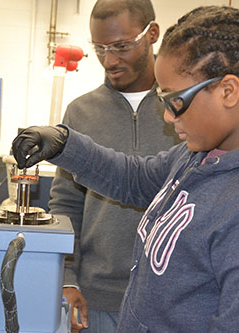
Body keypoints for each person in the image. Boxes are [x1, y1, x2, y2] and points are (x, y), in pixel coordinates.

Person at [13, 5, 239, 331]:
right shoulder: (200, 156)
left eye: (176, 101)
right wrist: (65, 145)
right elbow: (135, 179)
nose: (168, 116)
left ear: (229, 90)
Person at [48, 0, 179, 332]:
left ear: (152, 34)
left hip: (169, 300)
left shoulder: (184, 109)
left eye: (121, 46)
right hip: (98, 300)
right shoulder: (81, 113)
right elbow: (65, 204)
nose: (110, 60)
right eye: (100, 48)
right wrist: (67, 277)